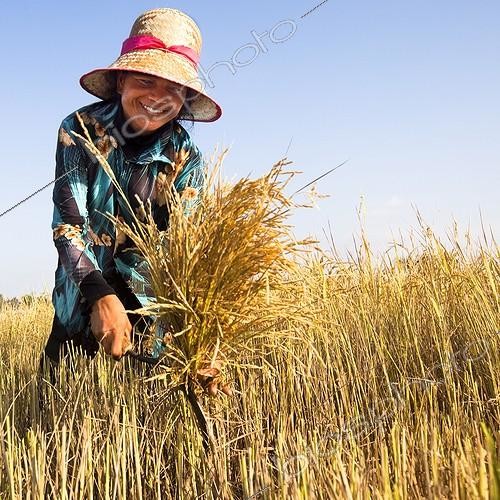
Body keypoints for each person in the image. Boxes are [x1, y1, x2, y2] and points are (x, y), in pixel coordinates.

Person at [41, 8, 224, 391]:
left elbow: (184, 252)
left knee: (144, 426)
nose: (158, 97)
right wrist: (100, 298)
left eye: (174, 88)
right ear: (122, 79)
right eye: (145, 79)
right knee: (58, 414)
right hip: (81, 300)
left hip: (151, 317)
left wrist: (201, 340)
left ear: (187, 97)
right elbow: (68, 226)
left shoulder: (186, 158)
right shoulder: (79, 131)